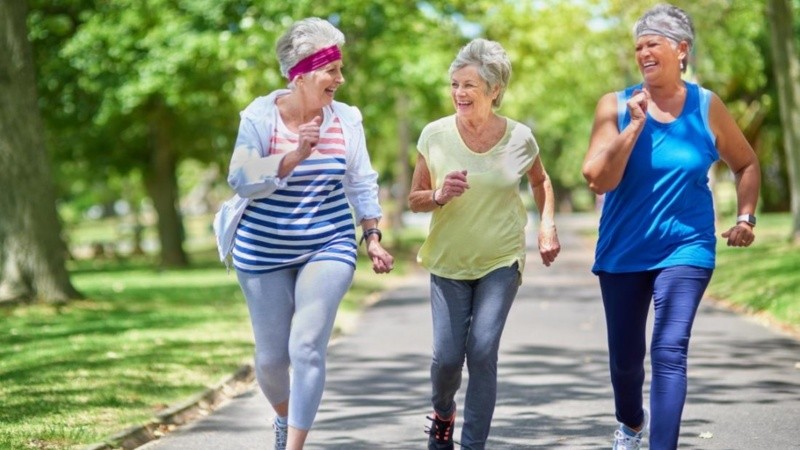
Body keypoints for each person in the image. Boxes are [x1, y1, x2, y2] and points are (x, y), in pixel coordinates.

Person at [582, 4, 761, 449]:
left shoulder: (706, 106)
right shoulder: (615, 105)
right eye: (639, 45)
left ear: (681, 50)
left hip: (687, 248)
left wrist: (745, 215)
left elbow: (746, 163)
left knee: (668, 351)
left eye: (653, 44)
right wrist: (633, 128)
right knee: (626, 362)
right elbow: (596, 177)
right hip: (623, 250)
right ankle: (630, 424)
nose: (643, 52)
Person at [215, 17, 394, 450]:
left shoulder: (346, 120)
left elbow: (361, 181)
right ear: (301, 73)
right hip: (262, 247)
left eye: (339, 69)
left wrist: (371, 235)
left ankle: (293, 445)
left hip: (327, 242)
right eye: (331, 70)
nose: (340, 78)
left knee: (307, 345)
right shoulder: (260, 116)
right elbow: (239, 177)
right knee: (272, 359)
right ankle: (283, 417)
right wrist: (294, 155)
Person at [408, 38, 561, 450]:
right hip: (448, 261)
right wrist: (439, 195)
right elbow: (415, 198)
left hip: (501, 258)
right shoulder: (435, 136)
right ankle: (443, 413)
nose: (459, 93)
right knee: (445, 360)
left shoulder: (519, 138)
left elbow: (540, 180)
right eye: (455, 84)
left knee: (481, 351)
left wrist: (547, 225)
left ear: (494, 90)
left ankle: (472, 445)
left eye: (469, 85)